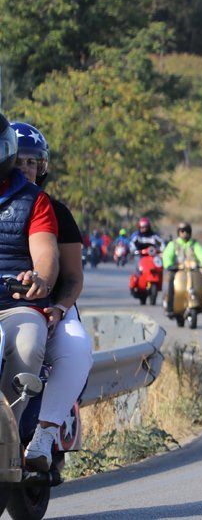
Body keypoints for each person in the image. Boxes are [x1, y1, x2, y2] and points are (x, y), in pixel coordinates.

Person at [10, 121, 93, 471]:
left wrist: (59, 307)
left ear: (42, 166)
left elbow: (72, 277)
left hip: (53, 306)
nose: (27, 169)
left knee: (76, 346)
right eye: (20, 161)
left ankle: (44, 434)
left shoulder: (55, 211)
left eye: (34, 162)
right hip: (7, 306)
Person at [0, 114, 57, 424]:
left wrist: (40, 277)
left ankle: (8, 435)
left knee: (29, 345)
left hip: (14, 304)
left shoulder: (35, 200)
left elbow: (46, 252)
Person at [162, 222, 202, 317]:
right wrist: (169, 265)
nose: (185, 233)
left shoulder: (194, 244)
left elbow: (201, 253)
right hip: (178, 270)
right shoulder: (174, 244)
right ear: (178, 233)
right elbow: (167, 255)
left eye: (187, 231)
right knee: (172, 283)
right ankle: (170, 308)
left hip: (192, 270)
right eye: (182, 231)